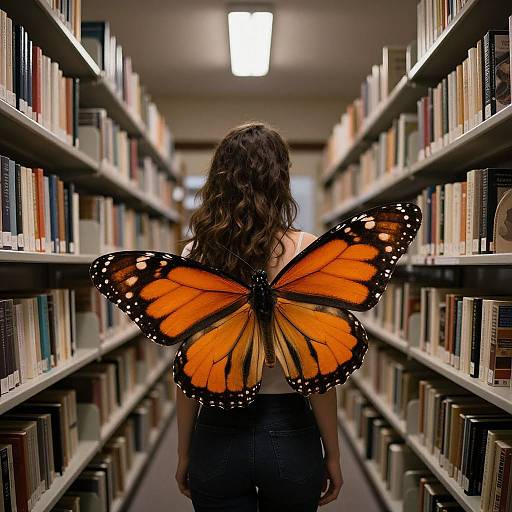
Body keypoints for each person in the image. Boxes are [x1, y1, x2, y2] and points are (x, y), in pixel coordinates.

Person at [174, 122, 343, 511]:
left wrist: (184, 451)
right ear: (280, 180)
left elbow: (187, 369)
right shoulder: (308, 251)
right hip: (291, 432)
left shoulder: (195, 256)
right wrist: (331, 452)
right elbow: (317, 367)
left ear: (218, 180)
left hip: (216, 432)